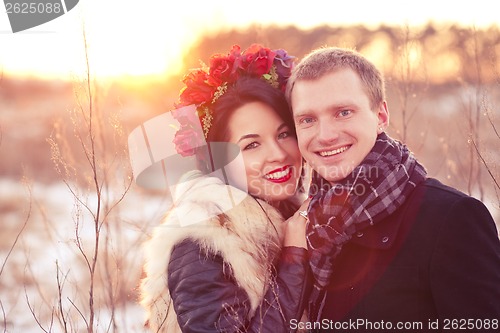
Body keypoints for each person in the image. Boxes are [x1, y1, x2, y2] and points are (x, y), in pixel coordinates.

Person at [285, 46, 500, 331]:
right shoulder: (307, 227)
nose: (325, 135)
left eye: (343, 112)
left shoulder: (451, 218)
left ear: (381, 115)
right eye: (308, 120)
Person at [137, 44, 311, 333]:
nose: (279, 154)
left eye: (283, 134)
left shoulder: (295, 214)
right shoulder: (202, 242)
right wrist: (294, 260)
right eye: (251, 145)